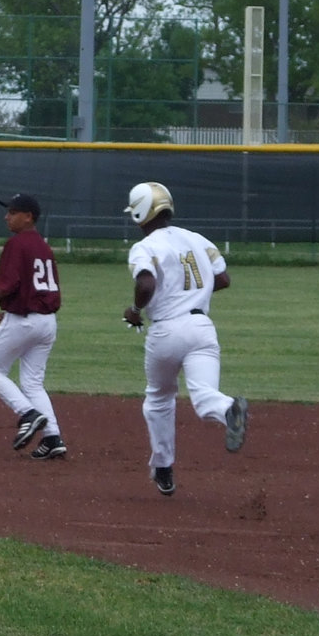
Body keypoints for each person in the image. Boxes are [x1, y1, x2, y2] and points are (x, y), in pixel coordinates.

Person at [121, 181, 248, 496]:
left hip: (165, 330)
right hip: (201, 327)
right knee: (205, 397)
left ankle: (163, 466)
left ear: (139, 213)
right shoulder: (196, 238)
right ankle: (229, 408)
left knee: (159, 397)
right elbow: (222, 278)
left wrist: (135, 309)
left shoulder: (145, 246)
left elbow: (146, 284)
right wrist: (192, 292)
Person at [0, 192, 66, 460]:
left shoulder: (16, 244)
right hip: (47, 323)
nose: (7, 216)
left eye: (13, 212)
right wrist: (7, 310)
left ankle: (28, 414)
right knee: (33, 383)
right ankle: (52, 438)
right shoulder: (44, 246)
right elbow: (34, 287)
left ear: (28, 216)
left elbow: (6, 287)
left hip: (24, 321)